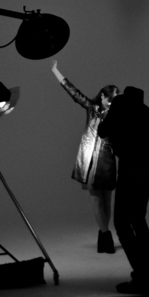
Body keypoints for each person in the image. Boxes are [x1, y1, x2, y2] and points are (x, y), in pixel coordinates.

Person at [51, 60, 119, 254]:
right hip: (89, 160)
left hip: (107, 160)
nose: (112, 103)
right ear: (103, 96)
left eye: (115, 100)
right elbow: (74, 92)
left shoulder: (116, 115)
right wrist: (55, 71)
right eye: (110, 99)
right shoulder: (92, 108)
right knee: (97, 199)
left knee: (107, 200)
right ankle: (106, 235)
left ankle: (103, 235)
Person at [98, 86, 149, 294]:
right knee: (138, 219)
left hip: (131, 170)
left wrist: (111, 115)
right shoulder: (148, 113)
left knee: (122, 223)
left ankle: (141, 277)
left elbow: (102, 131)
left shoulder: (121, 106)